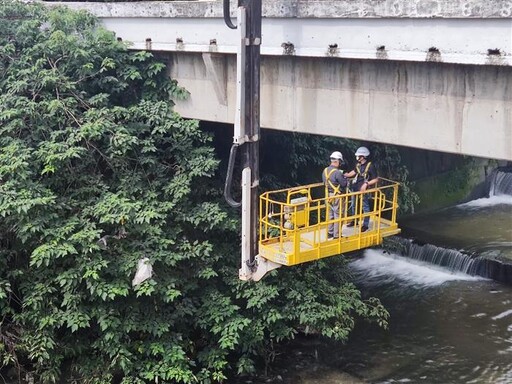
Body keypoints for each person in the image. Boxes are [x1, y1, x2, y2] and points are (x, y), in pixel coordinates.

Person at [343, 146, 378, 232]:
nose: (357, 157)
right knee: (353, 205)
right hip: (355, 188)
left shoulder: (370, 166)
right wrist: (346, 175)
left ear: (363, 156)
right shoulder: (358, 165)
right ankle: (355, 221)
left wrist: (366, 184)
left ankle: (365, 225)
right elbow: (354, 172)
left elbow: (376, 179)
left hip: (364, 189)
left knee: (365, 206)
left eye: (358, 156)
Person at [322, 151, 348, 239]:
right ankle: (336, 235)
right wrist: (345, 178)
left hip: (328, 195)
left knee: (330, 214)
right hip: (337, 196)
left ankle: (330, 232)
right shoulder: (338, 172)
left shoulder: (325, 171)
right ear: (337, 161)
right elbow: (344, 184)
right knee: (338, 214)